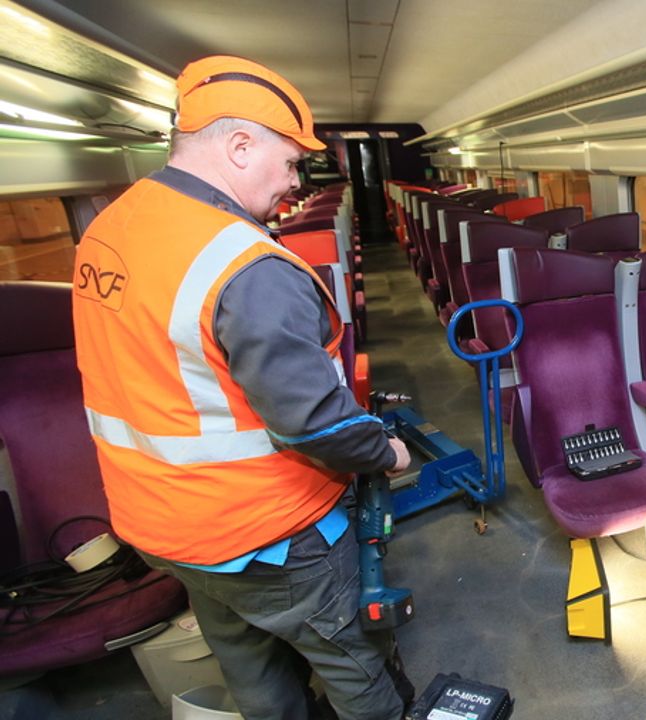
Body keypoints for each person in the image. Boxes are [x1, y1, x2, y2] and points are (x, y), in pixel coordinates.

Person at [72, 55, 413, 720]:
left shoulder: (109, 228)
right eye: (289, 163)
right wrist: (387, 453)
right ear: (238, 145)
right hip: (262, 529)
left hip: (162, 526)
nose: (292, 184)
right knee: (352, 661)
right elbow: (313, 424)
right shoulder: (244, 264)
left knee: (252, 670)